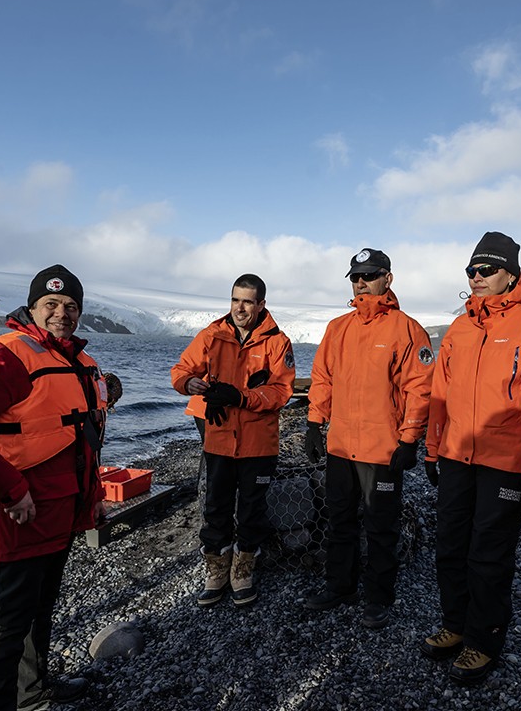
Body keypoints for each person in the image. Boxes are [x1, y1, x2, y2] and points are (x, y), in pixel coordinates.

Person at [0, 265, 108, 711]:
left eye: (70, 306)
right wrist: (11, 489)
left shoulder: (77, 360)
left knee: (41, 605)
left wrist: (96, 498)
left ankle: (31, 693)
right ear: (31, 308)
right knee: (9, 618)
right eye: (50, 305)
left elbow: (82, 440)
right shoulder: (10, 354)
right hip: (22, 512)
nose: (61, 313)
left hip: (64, 508)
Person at [420, 232, 521, 685]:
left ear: (510, 275)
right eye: (471, 271)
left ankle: (484, 640)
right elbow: (440, 394)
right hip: (457, 454)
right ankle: (456, 625)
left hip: (505, 460)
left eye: (486, 270)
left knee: (489, 555)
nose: (477, 278)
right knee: (451, 547)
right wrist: (433, 449)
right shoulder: (459, 328)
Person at [303, 248, 434, 629]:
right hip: (341, 444)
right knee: (339, 519)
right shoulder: (338, 328)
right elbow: (323, 377)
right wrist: (314, 423)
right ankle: (339, 586)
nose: (361, 282)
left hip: (383, 450)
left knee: (381, 525)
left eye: (370, 274)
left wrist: (410, 440)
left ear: (387, 278)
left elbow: (420, 388)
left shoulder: (406, 329)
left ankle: (379, 596)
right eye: (356, 276)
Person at [170, 274, 296, 607]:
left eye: (248, 301)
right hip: (220, 439)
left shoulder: (278, 343)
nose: (240, 308)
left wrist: (239, 397)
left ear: (261, 305)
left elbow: (281, 391)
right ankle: (216, 570)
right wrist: (191, 383)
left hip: (259, 442)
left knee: (252, 509)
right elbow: (180, 369)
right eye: (235, 300)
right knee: (216, 507)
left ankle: (243, 571)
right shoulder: (212, 335)